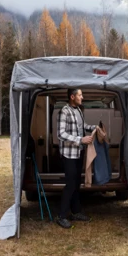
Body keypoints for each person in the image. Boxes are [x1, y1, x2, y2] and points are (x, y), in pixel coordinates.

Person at [56, 88, 98, 228]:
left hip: (79, 152)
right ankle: (61, 216)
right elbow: (61, 134)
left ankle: (75, 212)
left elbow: (82, 126)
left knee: (76, 183)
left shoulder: (79, 110)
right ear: (72, 97)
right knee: (70, 184)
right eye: (80, 95)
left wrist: (94, 127)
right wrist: (80, 139)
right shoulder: (64, 111)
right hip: (69, 154)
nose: (82, 97)